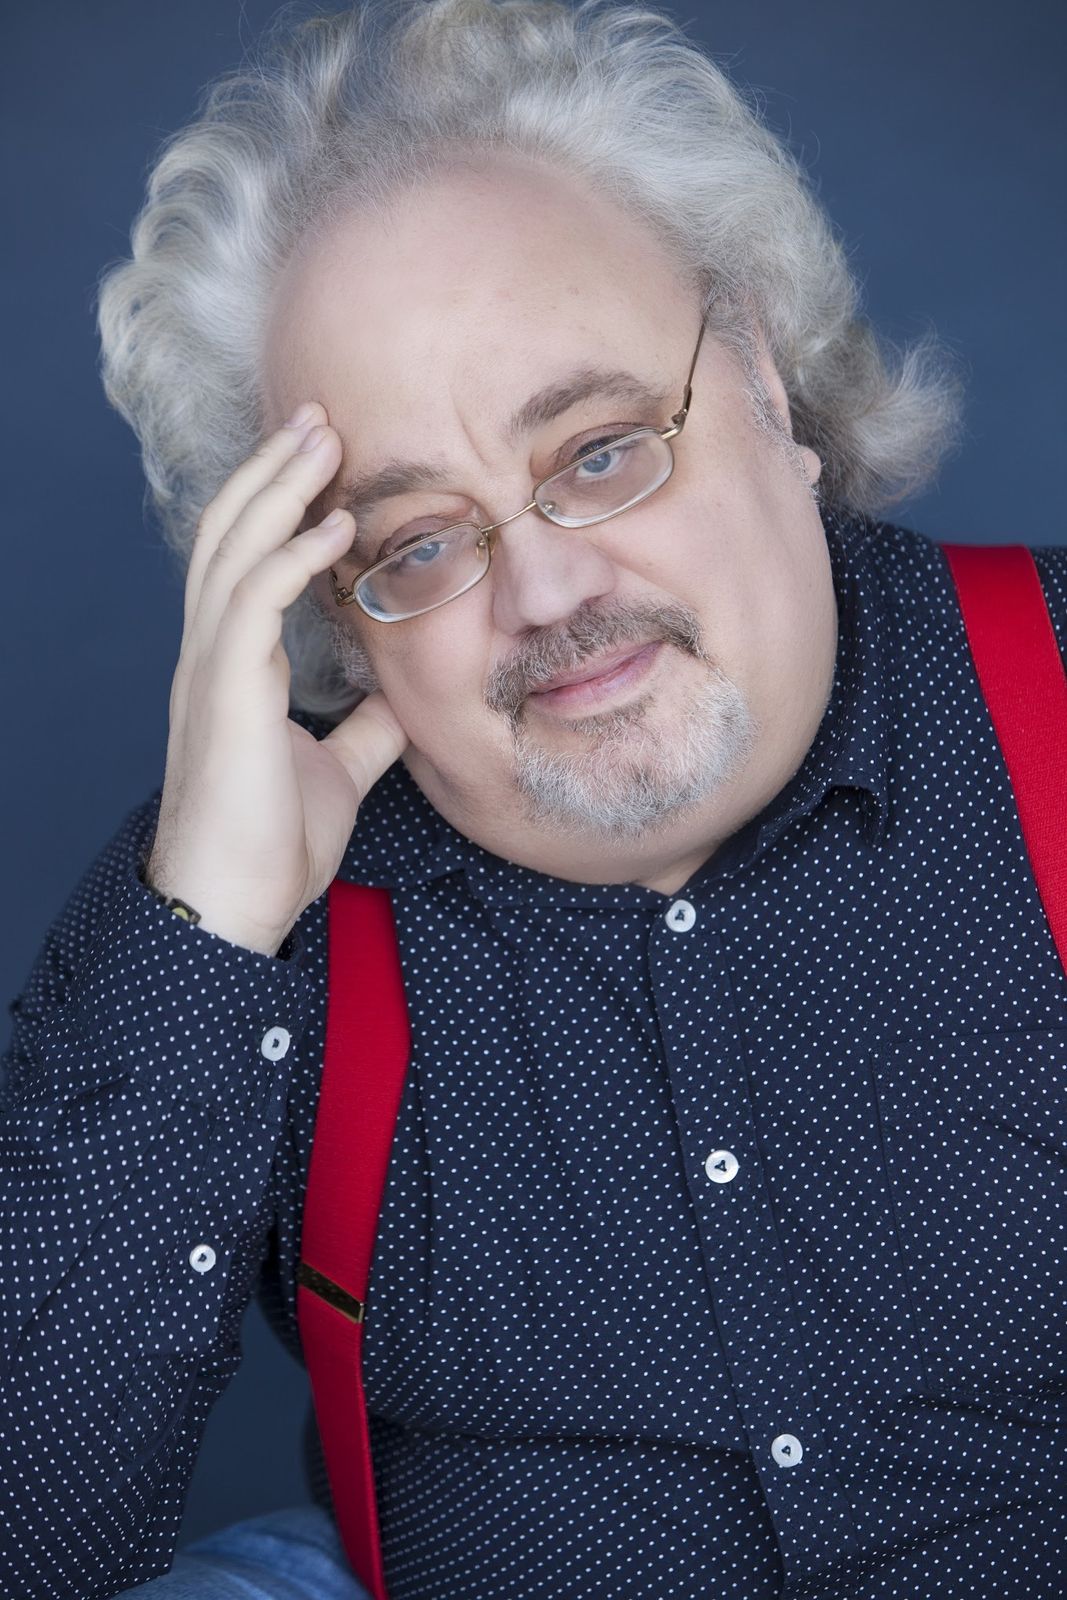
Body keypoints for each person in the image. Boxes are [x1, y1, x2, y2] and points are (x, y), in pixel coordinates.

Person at [2, 0, 1065, 1596]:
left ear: (763, 383)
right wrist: (207, 934)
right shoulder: (242, 895)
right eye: (419, 542)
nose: (550, 591)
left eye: (600, 450)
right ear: (326, 607)